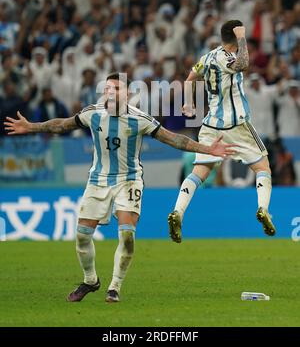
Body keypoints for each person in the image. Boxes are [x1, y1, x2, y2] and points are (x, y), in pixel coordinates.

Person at [4, 72, 234, 303]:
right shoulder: (92, 113)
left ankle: (114, 287)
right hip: (98, 179)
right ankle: (90, 281)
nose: (110, 93)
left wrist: (207, 150)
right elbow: (61, 125)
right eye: (107, 89)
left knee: (127, 235)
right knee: (82, 236)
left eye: (115, 88)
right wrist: (31, 127)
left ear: (128, 93)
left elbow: (174, 139)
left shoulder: (140, 119)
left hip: (129, 180)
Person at [168, 20, 276, 244]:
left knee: (200, 172)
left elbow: (189, 79)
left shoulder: (206, 58)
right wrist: (243, 38)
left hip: (211, 126)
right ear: (235, 36)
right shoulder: (228, 57)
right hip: (236, 125)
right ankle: (263, 209)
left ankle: (178, 211)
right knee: (262, 166)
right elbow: (243, 63)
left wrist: (188, 104)